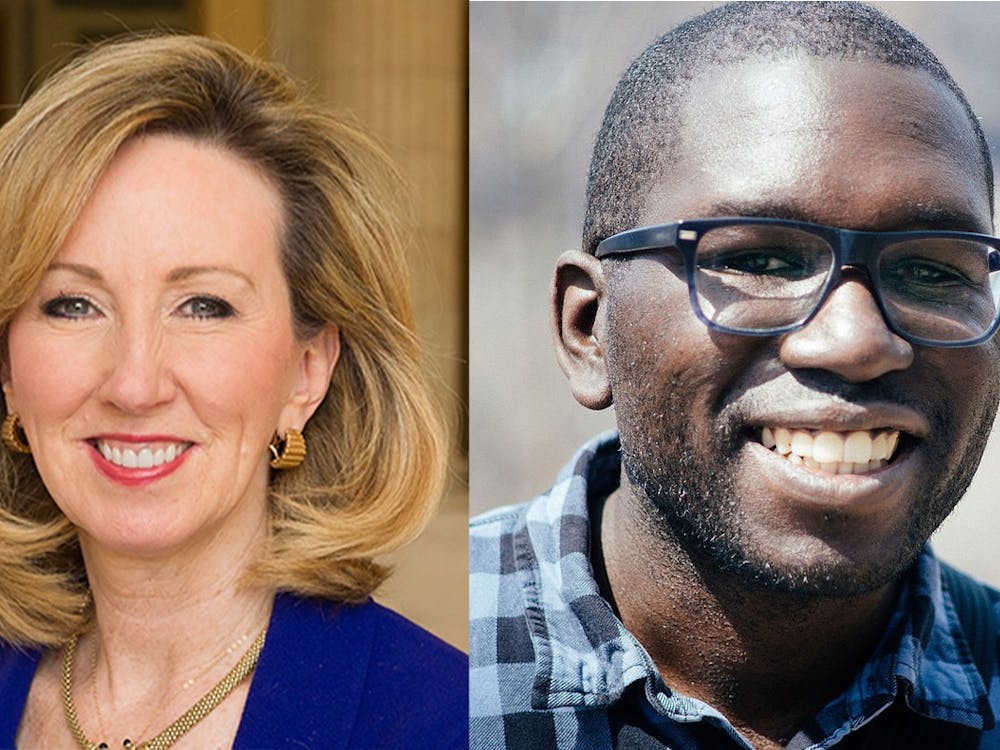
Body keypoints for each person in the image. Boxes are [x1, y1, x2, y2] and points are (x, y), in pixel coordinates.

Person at [470, 3, 1000, 748]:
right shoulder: (422, 664)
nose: (855, 341)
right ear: (588, 330)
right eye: (757, 259)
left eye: (930, 269)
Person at [0, 33, 467, 749]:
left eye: (203, 306)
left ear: (307, 371)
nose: (134, 383)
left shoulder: (450, 723)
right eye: (72, 304)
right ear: (8, 368)